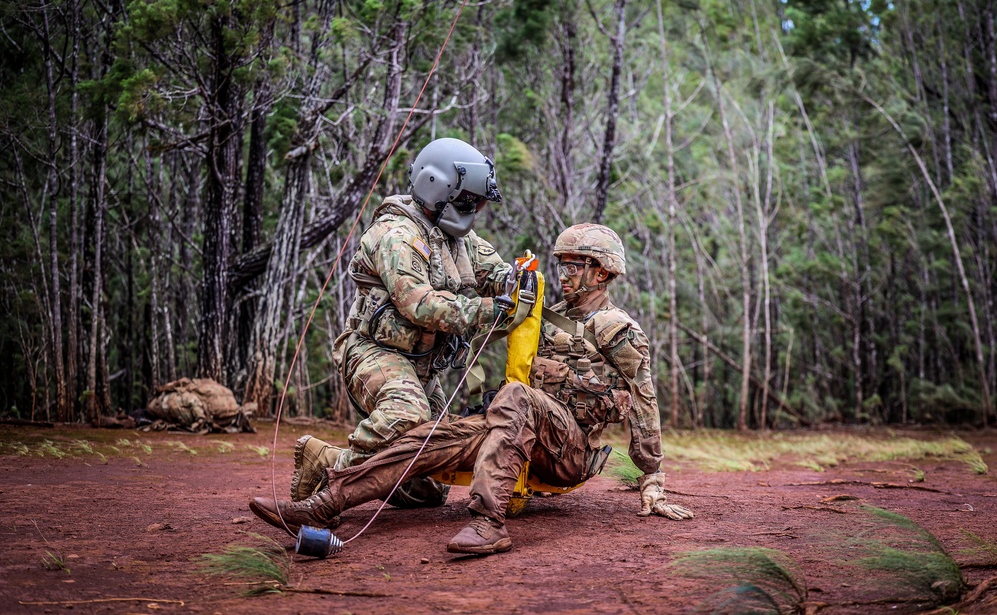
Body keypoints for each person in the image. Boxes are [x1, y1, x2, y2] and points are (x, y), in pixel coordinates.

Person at [252, 223, 693, 554]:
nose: (565, 274)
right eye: (562, 265)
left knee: (519, 397)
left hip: (569, 450)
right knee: (432, 433)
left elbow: (644, 400)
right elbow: (493, 350)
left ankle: (488, 521)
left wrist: (651, 477)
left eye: (575, 266)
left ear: (603, 273)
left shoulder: (617, 328)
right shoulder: (544, 314)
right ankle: (327, 501)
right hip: (521, 432)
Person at [289, 138, 514, 506]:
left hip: (422, 367)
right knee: (407, 415)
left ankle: (330, 460)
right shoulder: (396, 235)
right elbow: (421, 306)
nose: (476, 209)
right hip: (374, 353)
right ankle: (335, 478)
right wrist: (490, 309)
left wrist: (516, 281)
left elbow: (497, 271)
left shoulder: (458, 238)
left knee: (432, 481)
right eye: (469, 200)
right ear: (438, 188)